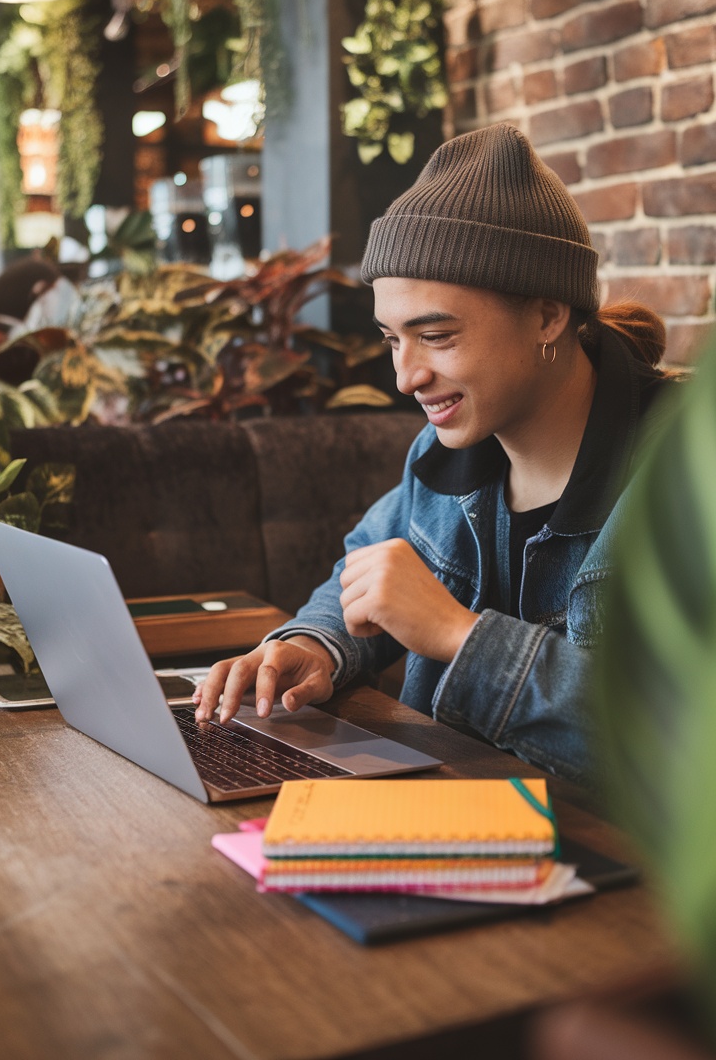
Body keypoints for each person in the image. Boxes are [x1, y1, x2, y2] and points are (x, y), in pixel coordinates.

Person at [194, 122, 676, 784]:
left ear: (547, 316)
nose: (406, 376)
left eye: (438, 335)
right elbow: (364, 576)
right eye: (393, 338)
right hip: (456, 828)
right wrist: (314, 647)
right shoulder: (445, 456)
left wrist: (457, 637)